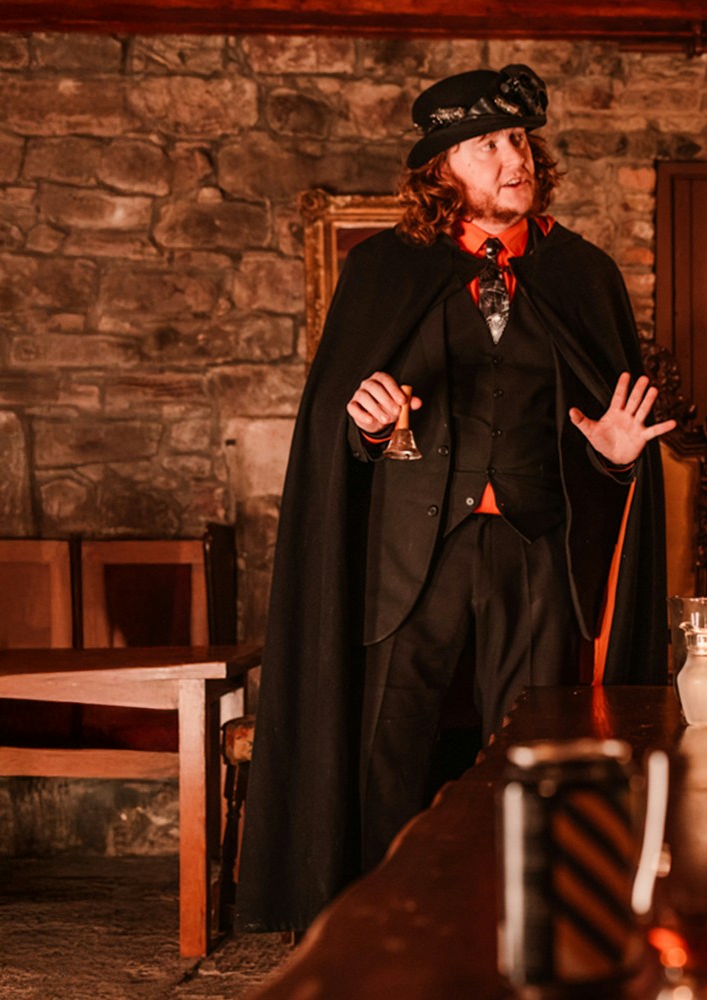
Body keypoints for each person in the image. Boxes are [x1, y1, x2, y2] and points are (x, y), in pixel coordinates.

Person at [238, 64, 674, 933]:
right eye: (489, 145)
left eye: (519, 141)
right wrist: (365, 429)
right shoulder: (384, 273)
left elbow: (608, 434)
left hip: (538, 547)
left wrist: (621, 463)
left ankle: (525, 927)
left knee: (536, 746)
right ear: (442, 169)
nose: (515, 158)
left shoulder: (580, 272)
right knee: (386, 747)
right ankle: (384, 928)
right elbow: (343, 428)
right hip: (412, 553)